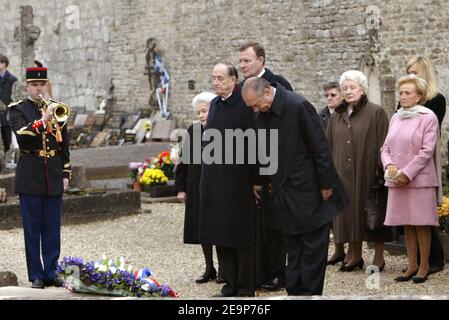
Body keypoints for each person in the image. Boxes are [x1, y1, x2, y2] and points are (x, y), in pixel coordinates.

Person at [242, 77, 348, 295]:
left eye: (255, 103)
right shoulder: (262, 115)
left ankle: (309, 293)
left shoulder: (297, 106)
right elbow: (264, 153)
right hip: (285, 192)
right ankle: (296, 291)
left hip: (310, 189)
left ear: (268, 91)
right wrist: (259, 181)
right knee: (294, 245)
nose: (254, 109)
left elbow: (319, 146)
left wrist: (327, 183)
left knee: (312, 247)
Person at [199, 63, 260, 297]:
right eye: (213, 78)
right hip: (214, 181)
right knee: (220, 234)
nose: (215, 82)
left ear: (233, 79)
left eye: (220, 78)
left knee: (240, 237)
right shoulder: (214, 104)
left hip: (238, 182)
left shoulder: (245, 104)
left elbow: (256, 143)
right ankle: (230, 284)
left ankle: (245, 287)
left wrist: (258, 180)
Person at [8, 67, 71, 289]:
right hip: (30, 176)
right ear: (27, 87)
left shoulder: (57, 108)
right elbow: (23, 136)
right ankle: (36, 274)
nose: (39, 89)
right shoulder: (17, 109)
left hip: (52, 175)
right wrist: (44, 119)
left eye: (42, 84)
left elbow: (65, 145)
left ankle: (51, 272)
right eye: (34, 85)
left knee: (52, 229)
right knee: (33, 230)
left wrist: (65, 173)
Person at [326, 70, 394, 272]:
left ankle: (379, 257)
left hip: (368, 172)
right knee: (349, 214)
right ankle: (355, 255)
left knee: (373, 214)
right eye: (345, 88)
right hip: (342, 174)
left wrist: (382, 171)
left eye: (352, 87)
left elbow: (385, 142)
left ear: (363, 89)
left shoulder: (376, 112)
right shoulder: (337, 116)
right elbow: (327, 145)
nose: (348, 91)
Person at [238, 41, 292, 292]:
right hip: (251, 165)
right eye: (241, 61)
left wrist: (267, 175)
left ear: (261, 60)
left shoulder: (278, 83)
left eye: (247, 61)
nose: (242, 65)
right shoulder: (242, 89)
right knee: (256, 226)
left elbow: (284, 129)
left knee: (276, 226)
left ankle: (279, 274)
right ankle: (259, 271)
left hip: (274, 168)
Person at [382, 74, 440, 283]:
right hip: (397, 179)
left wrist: (407, 172)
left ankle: (424, 266)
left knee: (421, 224)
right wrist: (389, 166)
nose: (403, 96)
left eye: (407, 93)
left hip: (419, 180)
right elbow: (385, 148)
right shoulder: (396, 117)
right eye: (401, 93)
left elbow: (427, 151)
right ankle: (412, 264)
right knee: (406, 223)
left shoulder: (428, 117)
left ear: (419, 96)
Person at [175, 91, 225, 284]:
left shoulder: (221, 131)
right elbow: (184, 159)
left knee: (218, 228)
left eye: (205, 111)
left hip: (217, 188)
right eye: (199, 112)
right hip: (195, 186)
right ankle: (209, 267)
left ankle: (224, 269)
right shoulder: (193, 131)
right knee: (201, 229)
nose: (202, 115)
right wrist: (181, 188)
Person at [403, 55, 446, 275]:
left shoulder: (436, 100)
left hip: (423, 160)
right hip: (404, 162)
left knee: (424, 214)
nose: (410, 76)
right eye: (407, 71)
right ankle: (416, 261)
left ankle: (432, 260)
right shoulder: (405, 102)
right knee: (409, 216)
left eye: (414, 72)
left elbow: (428, 134)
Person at [319, 80, 346, 265]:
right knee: (331, 212)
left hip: (343, 164)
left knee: (346, 211)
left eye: (333, 95)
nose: (329, 98)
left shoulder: (346, 115)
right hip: (326, 166)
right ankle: (338, 249)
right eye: (327, 95)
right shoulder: (321, 115)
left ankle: (351, 250)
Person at [0, 54, 17, 156]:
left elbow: (13, 96)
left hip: (7, 112)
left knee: (7, 137)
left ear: (4, 64)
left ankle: (7, 158)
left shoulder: (12, 79)